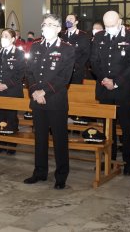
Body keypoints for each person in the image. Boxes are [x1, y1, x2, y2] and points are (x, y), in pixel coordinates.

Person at [24, 13, 75, 189]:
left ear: (59, 29)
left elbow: (64, 77)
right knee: (40, 138)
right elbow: (28, 71)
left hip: (56, 100)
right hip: (37, 100)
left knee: (60, 140)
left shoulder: (67, 48)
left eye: (51, 24)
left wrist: (44, 91)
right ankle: (39, 172)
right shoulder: (35, 47)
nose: (46, 27)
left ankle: (61, 176)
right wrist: (34, 92)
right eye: (44, 23)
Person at [90, 10, 130, 176]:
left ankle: (128, 162)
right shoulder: (99, 37)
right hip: (105, 88)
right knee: (107, 128)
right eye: (106, 26)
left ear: (119, 22)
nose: (109, 28)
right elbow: (94, 61)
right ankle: (109, 158)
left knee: (127, 128)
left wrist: (116, 82)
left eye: (112, 25)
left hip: (125, 89)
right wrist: (104, 79)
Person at [0, 28, 26, 155]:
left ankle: (11, 143)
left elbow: (20, 73)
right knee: (0, 116)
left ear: (13, 39)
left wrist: (6, 85)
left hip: (12, 90)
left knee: (11, 117)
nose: (3, 38)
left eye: (6, 36)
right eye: (2, 36)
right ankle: (2, 142)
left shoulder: (19, 54)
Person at [60, 14, 91, 84]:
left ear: (76, 22)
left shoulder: (83, 35)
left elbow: (86, 54)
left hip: (76, 71)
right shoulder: (61, 35)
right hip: (61, 71)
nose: (68, 21)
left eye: (70, 19)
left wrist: (75, 66)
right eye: (67, 19)